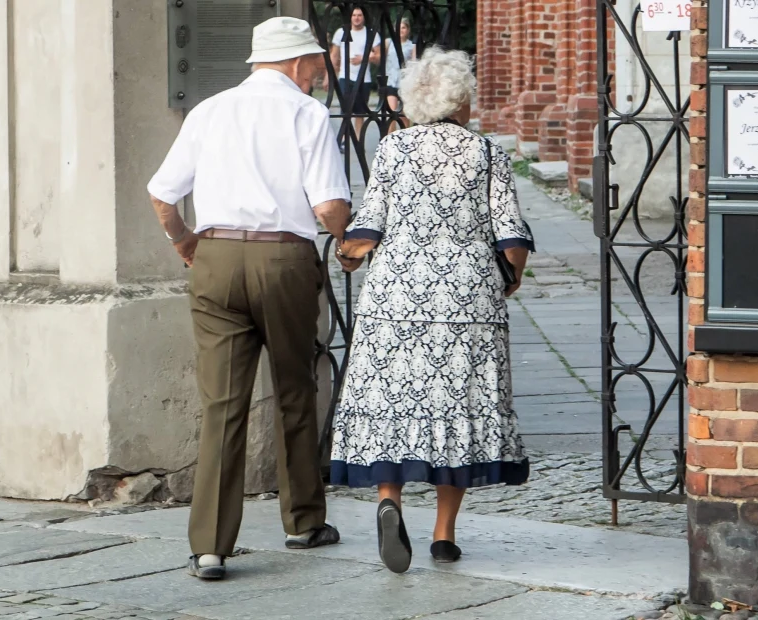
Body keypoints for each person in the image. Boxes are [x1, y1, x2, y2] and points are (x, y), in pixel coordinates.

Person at [146, 16, 351, 581]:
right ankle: (302, 521)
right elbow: (329, 206)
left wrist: (184, 241)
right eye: (314, 65)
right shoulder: (306, 113)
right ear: (295, 62)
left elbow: (162, 194)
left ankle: (210, 547)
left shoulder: (209, 110)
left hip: (214, 259)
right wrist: (346, 239)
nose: (317, 74)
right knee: (293, 389)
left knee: (222, 403)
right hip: (282, 258)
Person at [330, 47, 534, 574]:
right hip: (467, 299)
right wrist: (509, 277)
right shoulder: (486, 153)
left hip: (395, 300)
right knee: (458, 408)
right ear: (461, 99)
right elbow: (511, 233)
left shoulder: (394, 149)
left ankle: (389, 502)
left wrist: (349, 253)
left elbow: (369, 225)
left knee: (392, 403)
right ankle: (444, 535)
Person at [329, 7, 381, 147]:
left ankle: (358, 140)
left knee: (360, 112)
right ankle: (344, 139)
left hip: (364, 78)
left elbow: (379, 56)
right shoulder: (341, 32)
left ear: (364, 17)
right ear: (350, 17)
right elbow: (334, 55)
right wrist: (329, 76)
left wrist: (364, 58)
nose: (356, 18)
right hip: (345, 76)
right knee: (345, 110)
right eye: (354, 15)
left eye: (359, 15)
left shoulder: (371, 34)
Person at [381, 17, 415, 134]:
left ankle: (405, 139)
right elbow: (380, 58)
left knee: (404, 116)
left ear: (408, 30)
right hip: (391, 81)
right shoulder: (388, 42)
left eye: (403, 27)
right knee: (392, 114)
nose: (401, 30)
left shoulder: (411, 45)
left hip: (405, 83)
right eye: (398, 28)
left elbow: (414, 63)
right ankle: (390, 138)